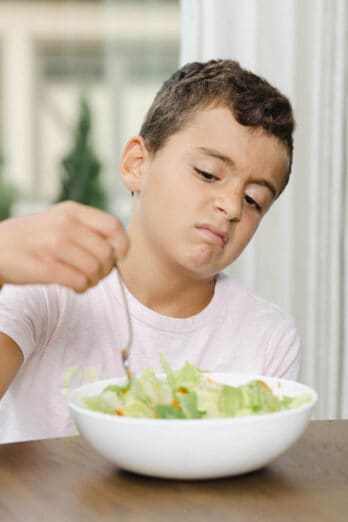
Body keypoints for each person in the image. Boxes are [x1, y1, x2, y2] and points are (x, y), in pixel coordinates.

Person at [0, 59, 299, 443]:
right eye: (208, 173)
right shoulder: (48, 292)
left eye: (254, 199)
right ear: (137, 164)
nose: (232, 206)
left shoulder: (267, 337)